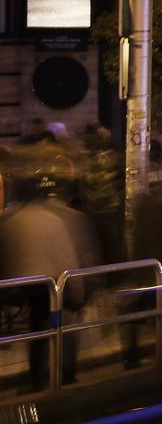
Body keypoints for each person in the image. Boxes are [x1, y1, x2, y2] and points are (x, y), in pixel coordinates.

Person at [0, 163, 99, 387]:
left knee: (37, 328)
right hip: (51, 283)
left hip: (24, 284)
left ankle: (36, 377)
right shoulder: (56, 220)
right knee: (65, 325)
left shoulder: (13, 219)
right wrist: (78, 292)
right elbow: (67, 259)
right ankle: (67, 372)